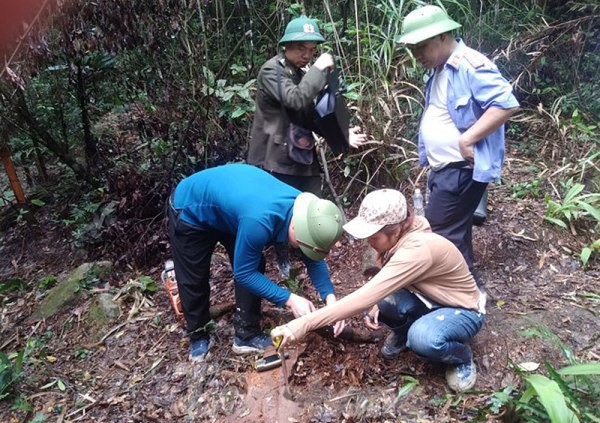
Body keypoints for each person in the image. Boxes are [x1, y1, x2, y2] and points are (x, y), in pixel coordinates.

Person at [272, 189, 486, 392]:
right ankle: (404, 334)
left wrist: (303, 324)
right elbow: (383, 285)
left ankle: (462, 357)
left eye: (373, 237)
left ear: (394, 231)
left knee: (422, 338)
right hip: (430, 299)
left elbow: (364, 297)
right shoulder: (403, 234)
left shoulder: (418, 249)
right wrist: (377, 302)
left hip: (463, 310)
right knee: (383, 304)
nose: (369, 242)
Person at [167, 163, 346, 361]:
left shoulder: (307, 211)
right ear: (297, 229)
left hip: (232, 211)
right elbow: (243, 273)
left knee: (254, 263)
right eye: (302, 245)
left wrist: (330, 300)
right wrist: (289, 299)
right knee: (194, 278)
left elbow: (313, 254)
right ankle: (198, 334)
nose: (302, 251)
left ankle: (246, 334)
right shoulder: (260, 221)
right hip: (191, 209)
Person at [398, 5, 520, 276]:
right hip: (446, 170)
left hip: (460, 171)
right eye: (413, 48)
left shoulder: (469, 64)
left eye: (422, 46)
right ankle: (471, 298)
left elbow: (505, 104)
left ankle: (458, 304)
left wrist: (468, 139)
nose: (416, 54)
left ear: (443, 36)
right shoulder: (440, 69)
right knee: (456, 236)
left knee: (441, 239)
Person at [247, 15, 366, 196]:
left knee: (313, 214)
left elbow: (312, 117)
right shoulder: (272, 70)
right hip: (276, 163)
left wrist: (341, 134)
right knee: (283, 216)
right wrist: (317, 69)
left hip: (301, 159)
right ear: (286, 46)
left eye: (312, 50)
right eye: (301, 48)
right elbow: (295, 99)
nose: (307, 55)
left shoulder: (300, 74)